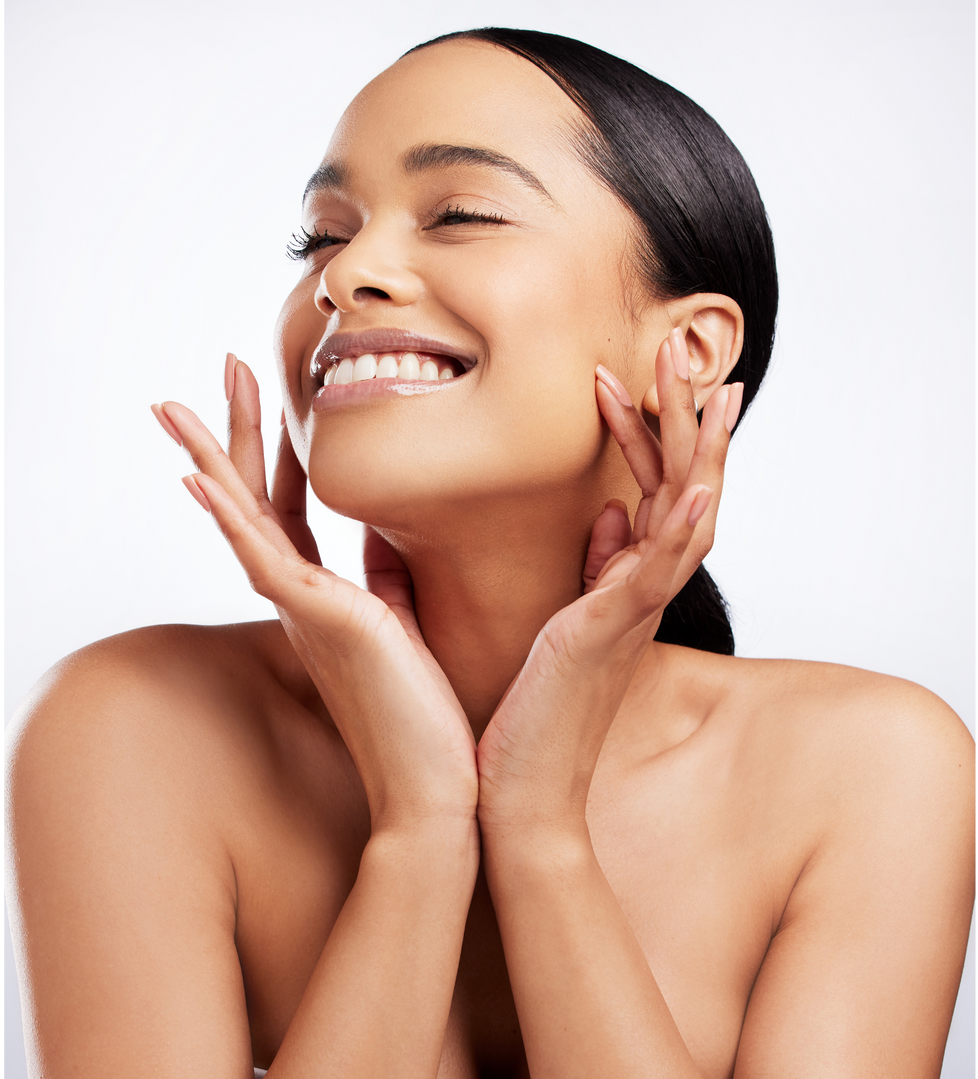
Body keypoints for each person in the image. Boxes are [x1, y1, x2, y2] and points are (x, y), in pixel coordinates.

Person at [4, 27, 973, 1079]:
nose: (346, 278)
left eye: (460, 214)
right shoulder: (134, 726)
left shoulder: (874, 770)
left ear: (688, 350)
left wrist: (540, 828)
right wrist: (418, 832)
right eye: (322, 238)